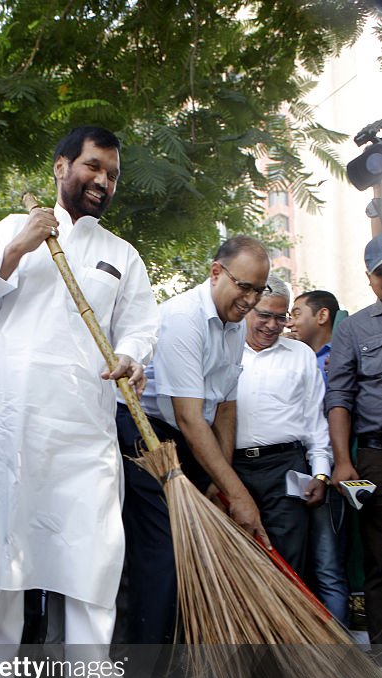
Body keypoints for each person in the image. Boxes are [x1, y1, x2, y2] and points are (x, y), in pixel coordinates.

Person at [0, 125, 157, 678]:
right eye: (92, 168)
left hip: (84, 432)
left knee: (93, 560)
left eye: (111, 172)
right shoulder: (11, 228)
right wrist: (17, 248)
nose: (103, 182)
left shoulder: (123, 255)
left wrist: (132, 357)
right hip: (12, 427)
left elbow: (138, 326)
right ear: (60, 167)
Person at [117, 235, 270, 647]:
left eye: (259, 290)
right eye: (245, 286)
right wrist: (238, 496)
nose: (251, 300)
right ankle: (145, 677)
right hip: (144, 436)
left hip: (189, 437)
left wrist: (220, 483)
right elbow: (188, 416)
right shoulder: (183, 317)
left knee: (200, 547)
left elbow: (224, 409)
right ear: (216, 272)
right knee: (165, 549)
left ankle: (184, 659)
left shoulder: (235, 325)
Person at [232, 274, 330, 578]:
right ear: (247, 310)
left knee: (287, 563)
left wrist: (321, 473)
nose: (272, 325)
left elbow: (315, 419)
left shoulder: (300, 355)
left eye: (280, 317)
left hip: (287, 468)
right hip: (233, 470)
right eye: (264, 315)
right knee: (238, 560)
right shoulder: (224, 348)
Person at [326, 234, 382, 648]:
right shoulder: (353, 329)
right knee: (379, 559)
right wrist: (344, 461)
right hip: (375, 457)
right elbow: (340, 396)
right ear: (370, 278)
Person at [289, 289, 350, 623]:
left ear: (322, 316)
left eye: (296, 313)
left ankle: (341, 664)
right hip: (291, 471)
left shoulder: (340, 357)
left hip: (327, 472)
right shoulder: (291, 356)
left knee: (328, 567)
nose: (289, 322)